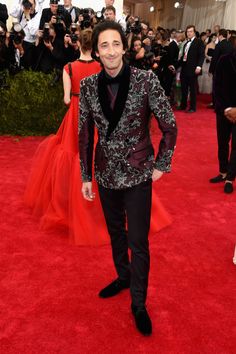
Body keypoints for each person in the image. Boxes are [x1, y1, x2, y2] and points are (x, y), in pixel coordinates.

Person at [79, 21, 177, 336]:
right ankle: (123, 276)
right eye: (103, 45)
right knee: (115, 234)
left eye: (115, 44)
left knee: (138, 240)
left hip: (138, 175)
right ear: (96, 51)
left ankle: (138, 303)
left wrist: (162, 162)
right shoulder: (89, 86)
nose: (110, 51)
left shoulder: (146, 80)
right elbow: (84, 135)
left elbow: (170, 125)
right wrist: (86, 176)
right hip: (106, 174)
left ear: (124, 47)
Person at [24, 29, 109, 246]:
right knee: (95, 156)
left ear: (78, 44)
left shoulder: (68, 67)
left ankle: (66, 204)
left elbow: (66, 100)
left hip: (75, 116)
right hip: (95, 115)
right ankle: (100, 206)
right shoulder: (101, 67)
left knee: (71, 155)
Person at [209, 35, 236, 194]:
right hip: (223, 110)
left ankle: (230, 178)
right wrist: (226, 109)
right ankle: (223, 172)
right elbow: (216, 86)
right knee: (222, 142)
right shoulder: (224, 60)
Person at [178, 25, 205, 113]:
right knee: (184, 88)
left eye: (190, 31)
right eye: (187, 31)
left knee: (192, 89)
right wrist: (175, 65)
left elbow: (201, 55)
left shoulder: (199, 42)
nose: (188, 33)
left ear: (194, 32)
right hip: (184, 68)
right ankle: (183, 105)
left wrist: (199, 66)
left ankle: (193, 107)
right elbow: (183, 57)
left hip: (193, 69)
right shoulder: (186, 43)